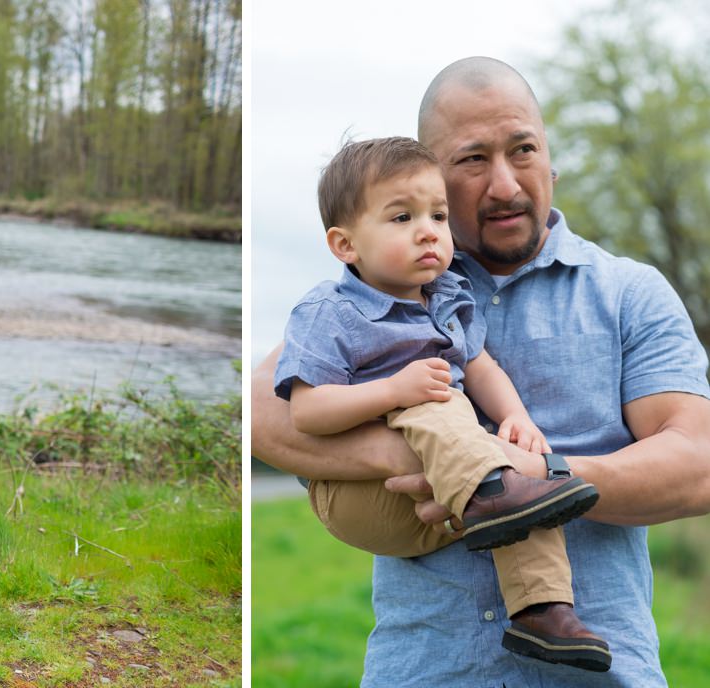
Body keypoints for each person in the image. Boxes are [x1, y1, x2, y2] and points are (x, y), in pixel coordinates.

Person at [251, 57, 710, 687]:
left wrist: (538, 475)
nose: (504, 184)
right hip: (425, 670)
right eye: (472, 160)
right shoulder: (387, 287)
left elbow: (698, 464)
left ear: (550, 158)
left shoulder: (631, 292)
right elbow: (263, 413)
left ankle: (545, 605)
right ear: (431, 176)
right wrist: (420, 457)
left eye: (522, 150)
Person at [276, 136, 608, 671]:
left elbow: (480, 367)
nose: (428, 230)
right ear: (345, 245)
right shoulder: (330, 312)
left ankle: (543, 614)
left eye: (438, 214)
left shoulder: (447, 296)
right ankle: (492, 490)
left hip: (446, 486)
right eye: (402, 218)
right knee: (439, 401)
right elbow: (306, 412)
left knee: (530, 491)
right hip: (361, 497)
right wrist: (392, 390)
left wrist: (516, 418)